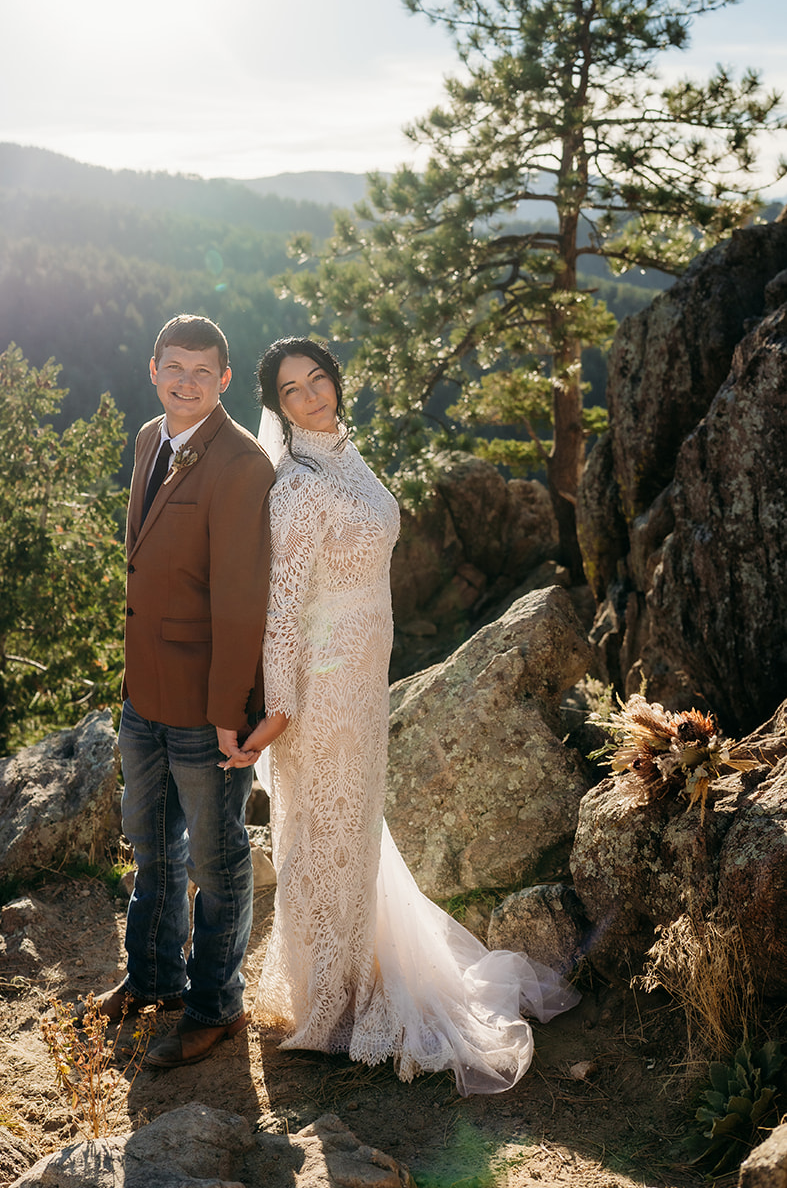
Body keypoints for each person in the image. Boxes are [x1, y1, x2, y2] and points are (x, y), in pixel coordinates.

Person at [232, 337, 580, 1094]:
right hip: (320, 691)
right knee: (322, 834)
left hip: (362, 678)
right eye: (291, 389)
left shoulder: (346, 458)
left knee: (352, 830)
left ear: (335, 382)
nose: (311, 395)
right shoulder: (293, 487)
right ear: (275, 405)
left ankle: (356, 976)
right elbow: (282, 612)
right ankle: (330, 1003)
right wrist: (281, 707)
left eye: (318, 379)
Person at [89, 314, 276, 1070]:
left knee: (217, 859)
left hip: (207, 704)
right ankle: (153, 977)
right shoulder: (146, 439)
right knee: (150, 844)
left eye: (203, 371)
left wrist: (232, 711)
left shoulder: (242, 465)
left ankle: (214, 1006)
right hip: (144, 696)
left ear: (224, 379)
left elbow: (240, 601)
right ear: (153, 368)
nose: (187, 381)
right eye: (175, 367)